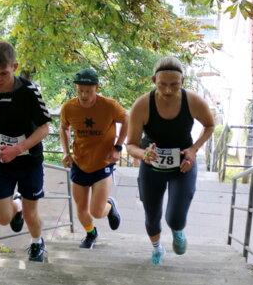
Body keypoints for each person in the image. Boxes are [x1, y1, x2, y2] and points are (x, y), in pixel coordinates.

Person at [126, 56, 215, 265]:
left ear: (182, 81)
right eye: (162, 84)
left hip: (182, 166)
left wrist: (193, 150)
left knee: (175, 216)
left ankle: (178, 232)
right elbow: (130, 145)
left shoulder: (192, 101)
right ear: (153, 80)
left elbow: (210, 125)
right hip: (152, 167)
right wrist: (143, 154)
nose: (167, 90)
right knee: (152, 216)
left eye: (174, 85)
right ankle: (157, 249)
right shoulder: (142, 105)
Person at [0, 40, 51, 262]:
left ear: (15, 67)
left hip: (30, 163)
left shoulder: (29, 92)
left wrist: (17, 149)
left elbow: (45, 129)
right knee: (2, 218)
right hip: (2, 162)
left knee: (31, 213)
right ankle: (15, 205)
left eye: (3, 73)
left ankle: (37, 243)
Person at [60, 68, 128, 249]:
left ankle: (110, 207)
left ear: (96, 88)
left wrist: (118, 147)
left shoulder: (109, 106)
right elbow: (63, 127)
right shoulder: (69, 107)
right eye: (80, 90)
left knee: (96, 211)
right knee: (81, 209)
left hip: (102, 164)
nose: (84, 95)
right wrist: (66, 152)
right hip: (80, 163)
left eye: (88, 91)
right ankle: (91, 234)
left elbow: (127, 120)